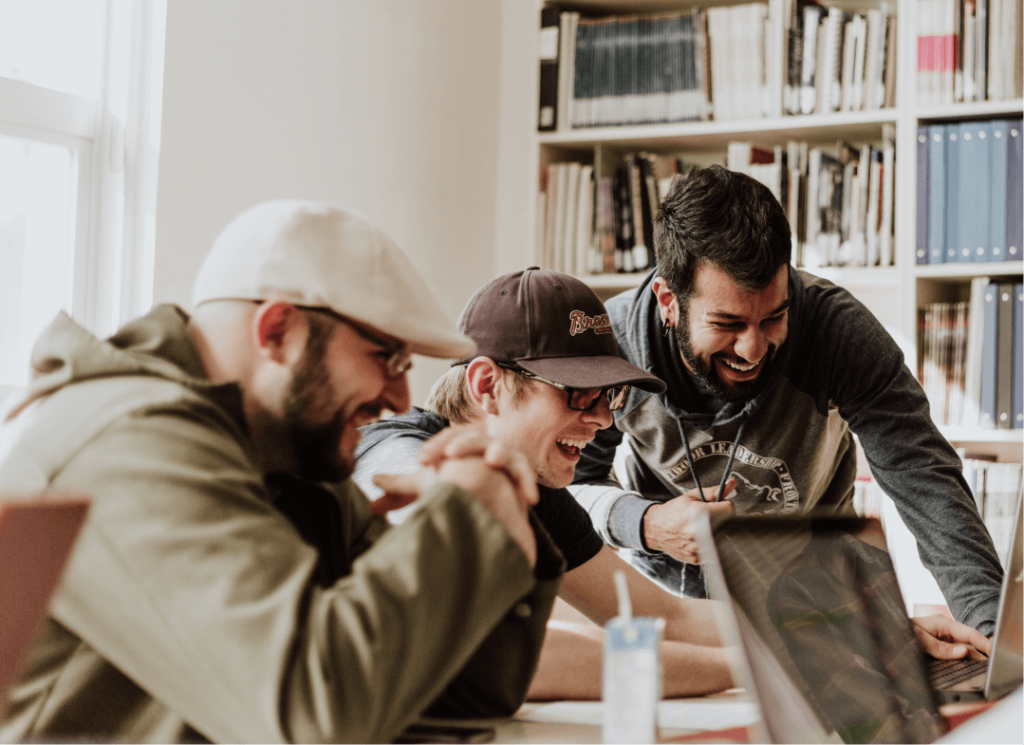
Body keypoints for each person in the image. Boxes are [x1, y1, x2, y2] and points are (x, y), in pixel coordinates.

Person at [0, 201, 565, 744]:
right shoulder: (128, 442)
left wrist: (501, 512)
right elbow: (313, 714)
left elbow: (456, 690)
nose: (399, 398)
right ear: (278, 332)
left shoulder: (286, 454)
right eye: (386, 358)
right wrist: (466, 516)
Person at [569, 165, 1005, 640]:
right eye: (728, 324)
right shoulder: (613, 347)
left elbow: (925, 479)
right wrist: (645, 522)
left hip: (818, 606)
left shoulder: (838, 332)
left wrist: (992, 635)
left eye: (773, 318)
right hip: (671, 612)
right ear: (668, 300)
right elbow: (569, 487)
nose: (753, 349)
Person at [354, 267, 736, 700]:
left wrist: (802, 633)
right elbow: (498, 652)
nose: (603, 419)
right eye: (578, 392)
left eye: (608, 396)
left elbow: (663, 617)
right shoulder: (393, 456)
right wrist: (747, 669)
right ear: (486, 386)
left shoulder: (535, 491)